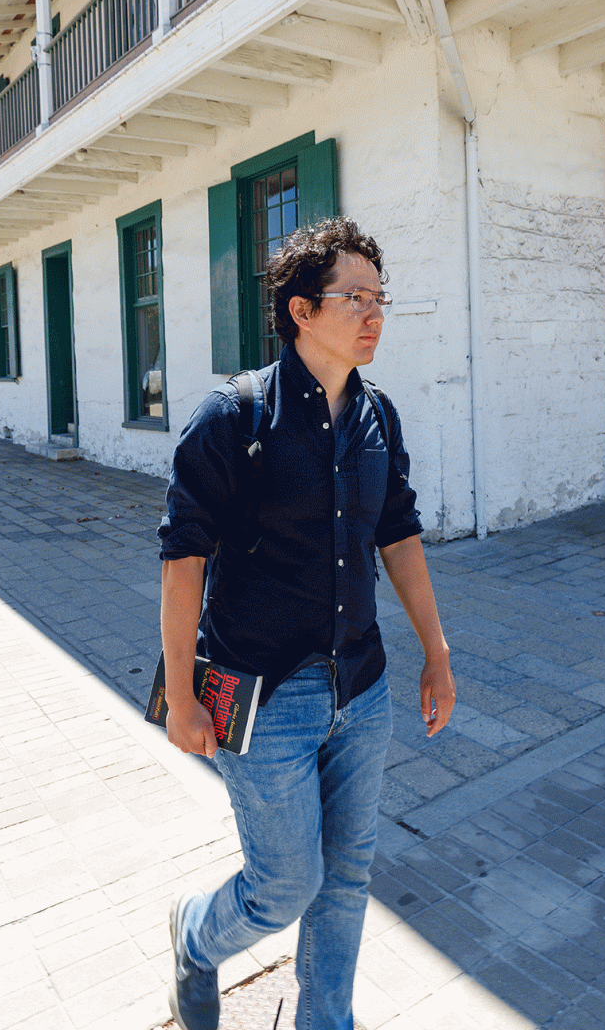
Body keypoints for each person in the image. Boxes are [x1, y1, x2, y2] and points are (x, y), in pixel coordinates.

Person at [157, 217, 456, 1030]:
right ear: (300, 310)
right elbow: (184, 558)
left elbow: (397, 532)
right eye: (354, 297)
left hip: (360, 687)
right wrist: (182, 696)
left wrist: (436, 651)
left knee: (348, 874)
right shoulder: (232, 416)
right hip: (262, 694)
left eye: (379, 297)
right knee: (286, 884)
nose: (374, 313)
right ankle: (195, 933)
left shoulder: (377, 417)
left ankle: (328, 1020)